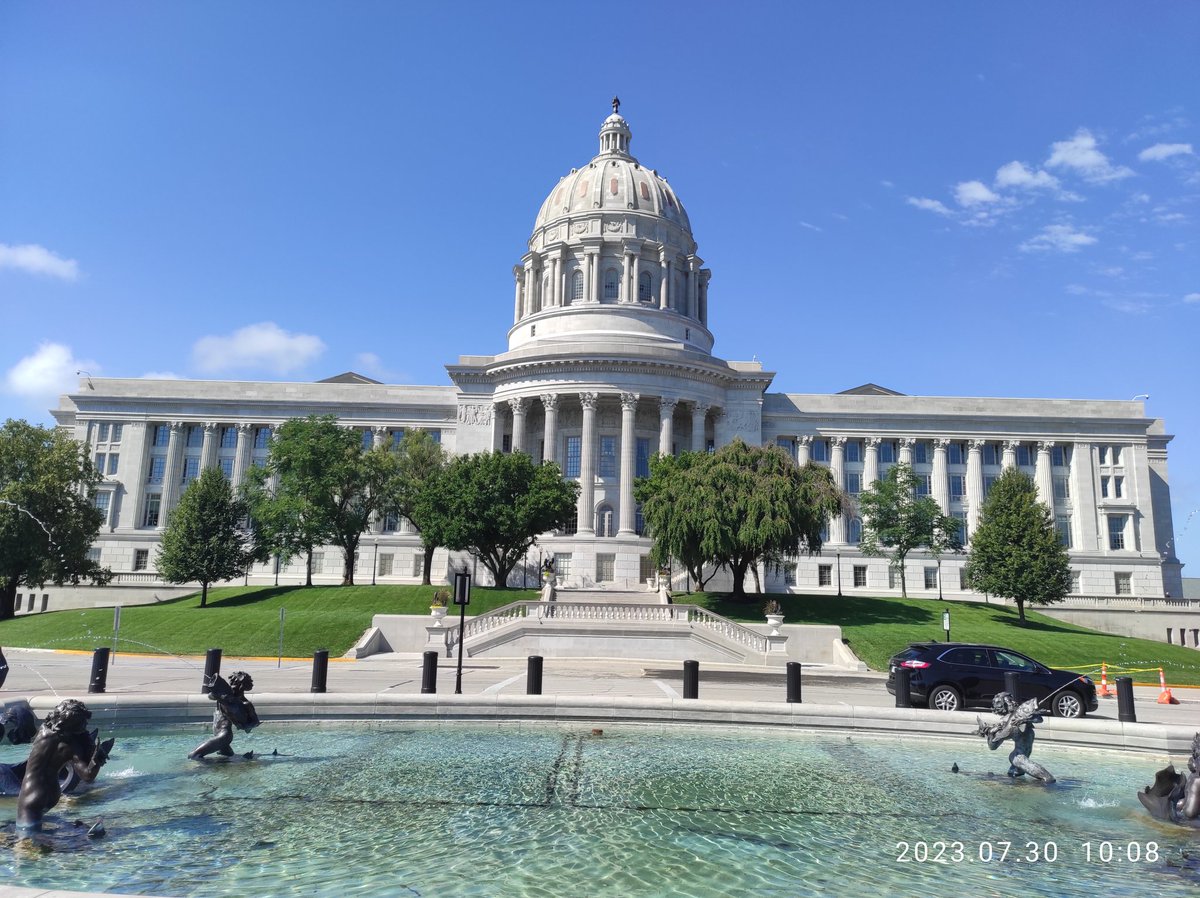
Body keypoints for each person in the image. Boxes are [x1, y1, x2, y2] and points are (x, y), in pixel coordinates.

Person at [16, 699, 111, 832]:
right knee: (30, 838)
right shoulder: (72, 747)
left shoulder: (44, 731)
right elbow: (88, 776)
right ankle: (74, 838)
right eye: (83, 723)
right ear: (75, 725)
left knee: (26, 832)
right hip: (52, 792)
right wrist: (98, 758)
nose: (86, 725)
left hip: (31, 794)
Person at [974, 692, 1055, 784]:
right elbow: (993, 747)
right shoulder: (1005, 724)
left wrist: (1024, 719)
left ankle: (1046, 781)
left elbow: (1039, 719)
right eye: (1008, 701)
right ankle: (1048, 783)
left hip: (1020, 757)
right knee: (1016, 771)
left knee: (1015, 772)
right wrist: (991, 734)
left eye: (1011, 700)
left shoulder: (1020, 714)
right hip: (1017, 757)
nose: (1012, 703)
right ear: (1002, 706)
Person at [189, 671, 260, 760]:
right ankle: (198, 766)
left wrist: (244, 725)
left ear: (242, 687)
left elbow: (255, 722)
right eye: (232, 684)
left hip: (223, 732)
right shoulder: (224, 695)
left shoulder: (245, 704)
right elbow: (211, 695)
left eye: (235, 685)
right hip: (220, 732)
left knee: (226, 755)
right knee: (195, 755)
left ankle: (208, 767)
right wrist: (221, 696)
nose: (232, 686)